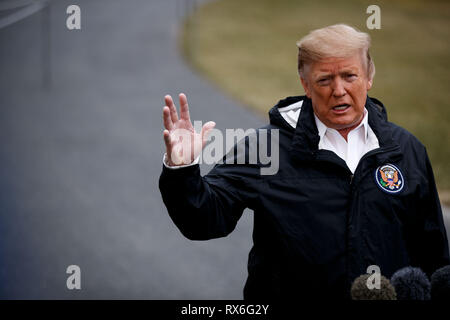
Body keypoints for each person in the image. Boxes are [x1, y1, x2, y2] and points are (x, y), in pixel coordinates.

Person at [159, 24, 449, 299]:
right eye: (324, 79)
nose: (338, 90)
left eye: (350, 76)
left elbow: (433, 255)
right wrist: (182, 170)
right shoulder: (266, 148)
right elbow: (205, 221)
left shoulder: (406, 150)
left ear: (369, 76)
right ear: (306, 85)